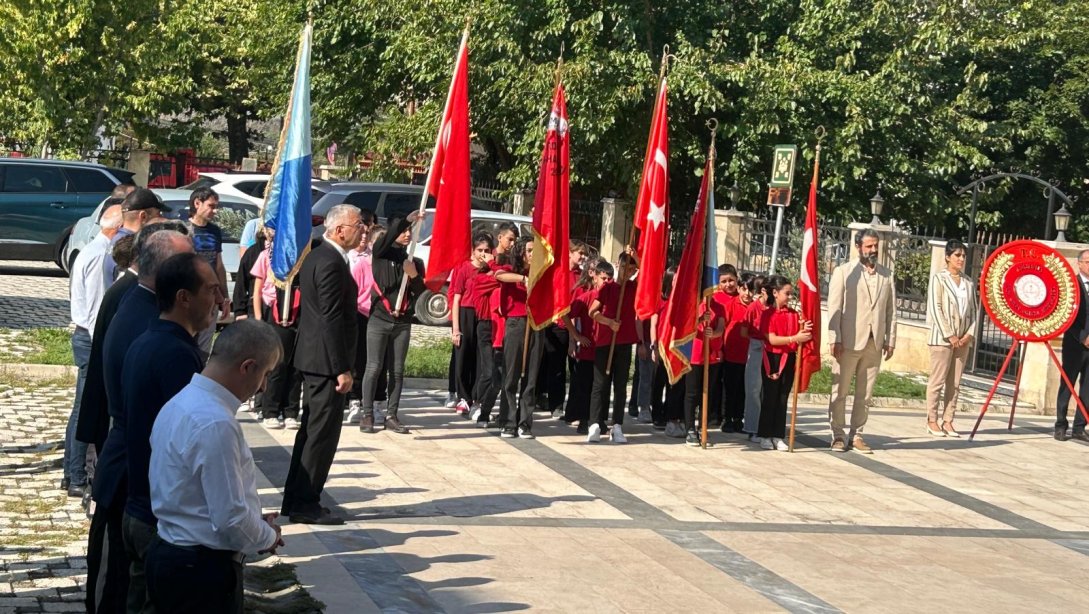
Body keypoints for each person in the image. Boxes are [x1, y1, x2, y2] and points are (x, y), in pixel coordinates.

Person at [85, 227, 193, 614]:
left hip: (132, 465)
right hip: (132, 468)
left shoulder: (146, 307)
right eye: (187, 262)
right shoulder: (146, 320)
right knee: (114, 584)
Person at [145, 320, 284, 614]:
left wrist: (254, 517)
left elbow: (194, 492)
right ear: (247, 367)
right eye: (265, 374)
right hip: (199, 570)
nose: (264, 387)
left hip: (173, 552)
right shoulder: (215, 423)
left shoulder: (181, 401)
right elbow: (230, 519)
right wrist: (268, 536)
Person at [121, 252, 218, 611]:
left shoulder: (150, 340)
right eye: (211, 290)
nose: (219, 300)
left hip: (140, 507)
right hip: (159, 517)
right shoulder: (175, 354)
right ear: (183, 297)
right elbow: (191, 438)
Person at [281, 204, 362, 525]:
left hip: (317, 358)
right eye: (358, 225)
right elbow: (329, 318)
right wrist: (341, 367)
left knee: (312, 432)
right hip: (325, 363)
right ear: (340, 229)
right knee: (320, 435)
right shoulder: (328, 260)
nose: (363, 230)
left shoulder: (321, 256)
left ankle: (296, 498)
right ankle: (305, 503)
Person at [62, 203, 123, 499]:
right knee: (85, 409)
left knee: (81, 407)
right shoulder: (100, 256)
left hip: (85, 334)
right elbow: (98, 310)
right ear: (116, 229)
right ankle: (76, 474)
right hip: (90, 337)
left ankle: (70, 473)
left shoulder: (93, 250)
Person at [826, 228, 897, 453]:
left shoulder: (887, 275)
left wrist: (890, 338)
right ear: (858, 247)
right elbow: (834, 308)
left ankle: (857, 434)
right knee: (841, 390)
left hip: (874, 342)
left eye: (876, 246)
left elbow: (891, 311)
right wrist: (834, 337)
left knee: (865, 394)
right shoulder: (844, 272)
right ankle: (838, 434)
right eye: (869, 246)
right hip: (848, 341)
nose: (873, 250)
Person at [252, 226, 303, 430]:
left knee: (295, 366)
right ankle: (270, 410)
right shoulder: (267, 256)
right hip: (273, 313)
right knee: (277, 365)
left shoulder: (301, 260)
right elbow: (256, 290)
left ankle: (290, 411)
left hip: (297, 314)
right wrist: (257, 319)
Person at [925, 240, 976, 438]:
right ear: (947, 257)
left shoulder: (968, 282)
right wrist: (950, 335)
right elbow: (936, 308)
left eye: (963, 256)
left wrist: (968, 334)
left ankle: (948, 420)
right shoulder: (939, 279)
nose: (961, 259)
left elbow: (974, 311)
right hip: (942, 338)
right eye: (957, 255)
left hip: (963, 339)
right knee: (937, 381)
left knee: (954, 383)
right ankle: (931, 420)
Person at [587, 254, 639, 443]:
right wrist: (609, 322)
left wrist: (637, 255)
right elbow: (593, 312)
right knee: (600, 384)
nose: (628, 272)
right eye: (625, 267)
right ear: (619, 265)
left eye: (632, 269)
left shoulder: (633, 287)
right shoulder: (608, 288)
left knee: (620, 386)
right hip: (605, 341)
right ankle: (594, 423)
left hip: (624, 342)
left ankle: (617, 425)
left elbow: (649, 272)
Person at [496, 236, 543, 438]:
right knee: (511, 375)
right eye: (530, 250)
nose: (533, 254)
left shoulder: (541, 272)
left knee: (530, 377)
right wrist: (524, 278)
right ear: (521, 252)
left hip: (536, 324)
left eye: (535, 251)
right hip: (516, 324)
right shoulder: (510, 269)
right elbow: (499, 275)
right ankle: (508, 421)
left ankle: (525, 423)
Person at [758, 276, 813, 451]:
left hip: (788, 358)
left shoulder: (793, 314)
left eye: (791, 294)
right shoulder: (767, 314)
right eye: (786, 293)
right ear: (775, 292)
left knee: (782, 398)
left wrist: (805, 329)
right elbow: (772, 339)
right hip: (772, 359)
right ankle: (765, 434)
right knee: (770, 397)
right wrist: (794, 338)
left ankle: (778, 435)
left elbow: (800, 335)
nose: (790, 297)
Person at [347, 224, 390, 426]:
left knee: (381, 362)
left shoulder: (389, 264)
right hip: (363, 315)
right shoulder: (363, 264)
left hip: (384, 316)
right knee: (361, 360)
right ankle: (357, 400)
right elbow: (353, 292)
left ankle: (379, 401)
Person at [450, 234, 494, 415]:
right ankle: (463, 396)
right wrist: (456, 328)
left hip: (483, 316)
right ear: (473, 251)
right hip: (466, 313)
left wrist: (491, 266)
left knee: (480, 357)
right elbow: (456, 298)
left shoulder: (491, 271)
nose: (483, 254)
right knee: (462, 356)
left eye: (487, 250)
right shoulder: (465, 269)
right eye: (480, 250)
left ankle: (476, 397)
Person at [186, 187, 231, 354]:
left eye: (216, 206)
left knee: (204, 346)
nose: (215, 211)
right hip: (190, 295)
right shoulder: (184, 229)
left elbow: (218, 264)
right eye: (211, 206)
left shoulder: (214, 231)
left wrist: (224, 297)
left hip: (211, 296)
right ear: (197, 203)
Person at [1055, 249, 1089, 442]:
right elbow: (1066, 316)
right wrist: (1082, 337)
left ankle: (1079, 426)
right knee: (1067, 384)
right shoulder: (1072, 286)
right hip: (1074, 345)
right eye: (1088, 261)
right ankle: (1060, 424)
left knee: (1087, 388)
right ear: (1080, 263)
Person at [683, 297, 726, 446]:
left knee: (707, 393)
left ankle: (703, 427)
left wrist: (713, 334)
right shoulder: (692, 303)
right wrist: (700, 319)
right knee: (692, 393)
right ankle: (689, 429)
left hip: (711, 354)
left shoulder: (719, 307)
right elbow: (686, 325)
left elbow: (721, 328)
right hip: (694, 354)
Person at [562, 262, 598, 434]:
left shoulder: (606, 293)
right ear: (592, 273)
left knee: (594, 384)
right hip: (583, 344)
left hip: (600, 345)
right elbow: (569, 316)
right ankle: (579, 416)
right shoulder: (582, 292)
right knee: (581, 382)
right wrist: (574, 339)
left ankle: (595, 418)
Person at [103, 186, 162, 283]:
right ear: (143, 216)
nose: (160, 219)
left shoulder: (117, 239)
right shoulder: (132, 247)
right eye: (158, 215)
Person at [714, 264, 744, 432]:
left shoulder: (741, 298)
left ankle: (736, 417)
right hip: (719, 348)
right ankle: (717, 415)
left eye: (731, 280)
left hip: (738, 352)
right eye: (724, 281)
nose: (728, 285)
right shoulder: (716, 297)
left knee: (736, 387)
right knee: (718, 385)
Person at [740, 274, 767, 443]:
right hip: (756, 348)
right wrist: (757, 341)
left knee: (766, 391)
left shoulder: (773, 308)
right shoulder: (753, 308)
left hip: (771, 350)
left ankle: (765, 427)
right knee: (753, 389)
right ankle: (752, 428)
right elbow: (744, 332)